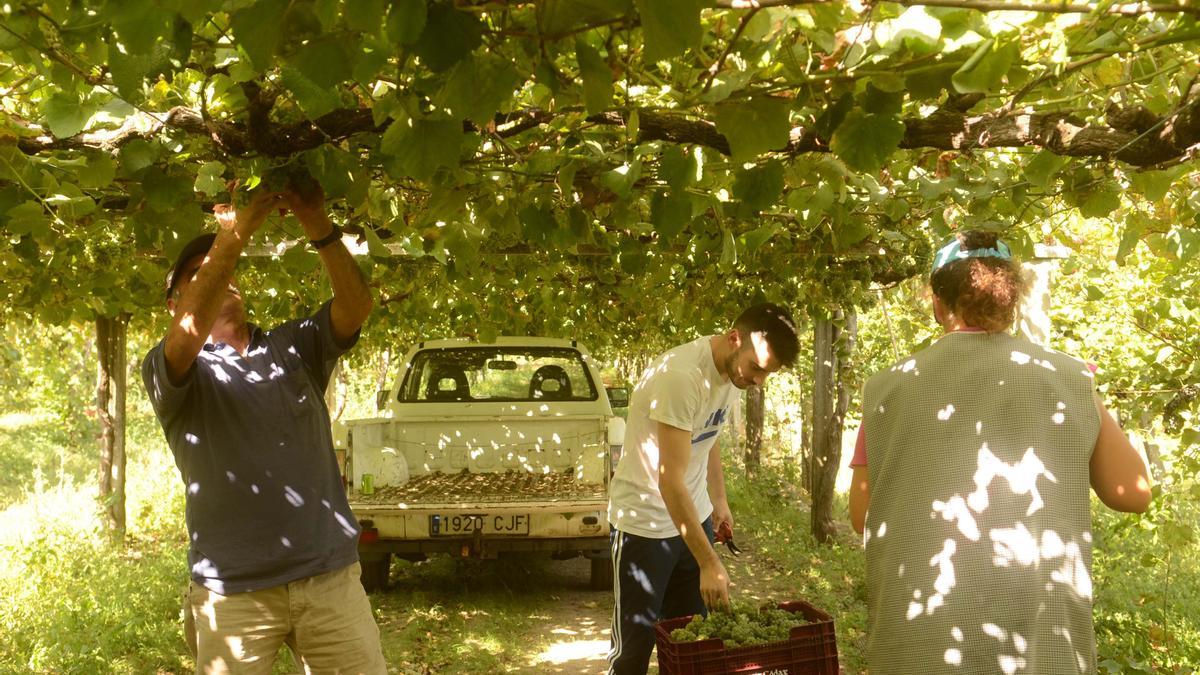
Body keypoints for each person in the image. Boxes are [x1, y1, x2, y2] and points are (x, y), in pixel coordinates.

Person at [848, 230, 1152, 674]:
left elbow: (863, 516)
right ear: (1012, 301)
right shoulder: (1067, 377)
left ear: (937, 302)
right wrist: (1082, 391)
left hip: (920, 638)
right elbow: (1133, 492)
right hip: (1038, 636)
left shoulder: (885, 389)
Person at [141, 181, 386, 673]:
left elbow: (356, 308)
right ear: (173, 306)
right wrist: (231, 237)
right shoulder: (172, 368)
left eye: (224, 269)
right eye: (199, 273)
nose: (221, 275)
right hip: (232, 590)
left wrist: (317, 221)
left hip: (329, 579)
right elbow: (187, 335)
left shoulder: (293, 345)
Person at [606, 303, 800, 674]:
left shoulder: (733, 374)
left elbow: (707, 439)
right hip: (643, 526)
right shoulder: (681, 377)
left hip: (691, 520)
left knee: (695, 648)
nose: (759, 381)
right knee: (633, 653)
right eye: (757, 368)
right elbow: (669, 480)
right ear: (733, 339)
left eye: (768, 373)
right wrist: (709, 562)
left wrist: (719, 500)